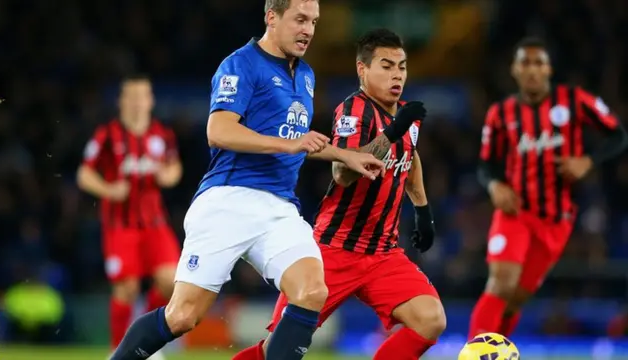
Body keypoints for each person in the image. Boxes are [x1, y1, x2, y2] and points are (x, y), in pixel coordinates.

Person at [108, 1, 385, 359]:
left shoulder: (306, 75)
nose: (309, 30)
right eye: (300, 20)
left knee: (313, 291)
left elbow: (297, 139)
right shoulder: (241, 64)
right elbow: (219, 131)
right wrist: (290, 144)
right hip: (229, 199)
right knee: (183, 316)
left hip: (280, 207)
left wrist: (347, 155)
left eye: (314, 22)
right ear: (272, 17)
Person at [232, 28, 446, 360]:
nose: (397, 75)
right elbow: (343, 172)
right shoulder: (353, 110)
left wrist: (422, 210)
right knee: (279, 350)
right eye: (386, 66)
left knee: (431, 319)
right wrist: (393, 130)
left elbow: (410, 155)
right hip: (334, 250)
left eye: (401, 67)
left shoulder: (405, 116)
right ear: (363, 70)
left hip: (382, 254)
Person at [470, 36, 628, 338]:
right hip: (515, 210)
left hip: (555, 220)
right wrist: (493, 186)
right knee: (501, 284)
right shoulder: (500, 114)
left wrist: (588, 160)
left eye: (538, 62)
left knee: (515, 300)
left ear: (549, 69)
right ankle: (475, 354)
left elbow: (617, 135)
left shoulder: (575, 101)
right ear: (514, 70)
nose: (531, 69)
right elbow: (485, 164)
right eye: (524, 63)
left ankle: (496, 352)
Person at [77, 74, 182, 360]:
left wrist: (166, 176)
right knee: (127, 287)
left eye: (143, 96)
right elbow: (84, 174)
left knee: (171, 282)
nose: (137, 102)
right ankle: (118, 349)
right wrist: (109, 189)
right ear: (121, 101)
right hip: (120, 226)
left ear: (151, 100)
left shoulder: (162, 135)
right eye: (131, 96)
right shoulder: (106, 135)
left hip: (155, 224)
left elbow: (175, 169)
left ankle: (146, 343)